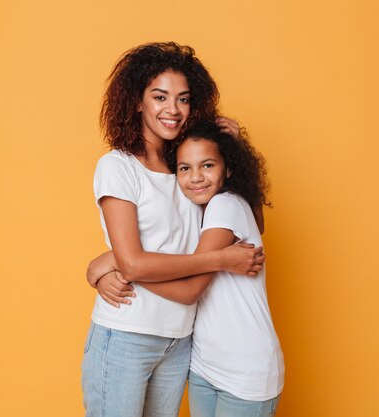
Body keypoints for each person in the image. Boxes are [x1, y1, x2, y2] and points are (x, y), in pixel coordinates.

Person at [81, 42, 265, 417]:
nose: (173, 109)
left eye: (182, 99)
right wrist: (221, 259)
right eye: (160, 97)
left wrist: (235, 148)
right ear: (137, 101)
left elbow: (247, 225)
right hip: (126, 334)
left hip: (180, 339)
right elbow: (134, 263)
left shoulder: (189, 166)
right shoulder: (118, 167)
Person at [96, 121, 284, 417]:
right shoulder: (200, 209)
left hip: (245, 371)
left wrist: (122, 264)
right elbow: (255, 225)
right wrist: (123, 261)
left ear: (228, 168)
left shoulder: (225, 205)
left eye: (208, 165)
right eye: (184, 168)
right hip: (205, 366)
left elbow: (189, 291)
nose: (196, 177)